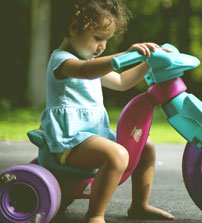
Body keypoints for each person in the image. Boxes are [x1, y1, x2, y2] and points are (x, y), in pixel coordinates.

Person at [40, 0, 174, 222]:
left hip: (93, 136)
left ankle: (139, 205)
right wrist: (123, 55)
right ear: (74, 28)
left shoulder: (90, 61)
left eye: (106, 40)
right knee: (118, 154)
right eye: (97, 38)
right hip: (69, 141)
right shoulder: (62, 61)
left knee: (146, 147)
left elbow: (122, 81)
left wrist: (149, 61)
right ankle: (95, 215)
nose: (102, 46)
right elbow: (85, 71)